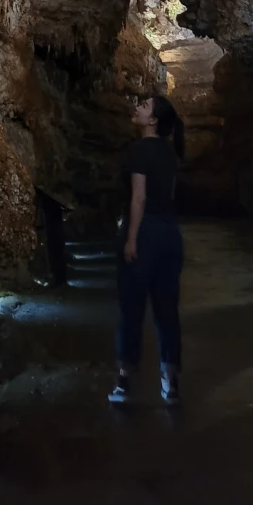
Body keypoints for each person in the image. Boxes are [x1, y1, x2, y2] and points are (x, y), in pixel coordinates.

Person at [108, 92, 185, 407]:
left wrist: (131, 238)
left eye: (144, 106)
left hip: (146, 233)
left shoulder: (139, 150)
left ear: (153, 120)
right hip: (170, 235)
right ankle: (170, 384)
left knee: (132, 309)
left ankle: (124, 382)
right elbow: (170, 195)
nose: (137, 107)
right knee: (167, 312)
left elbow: (138, 198)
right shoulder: (170, 152)